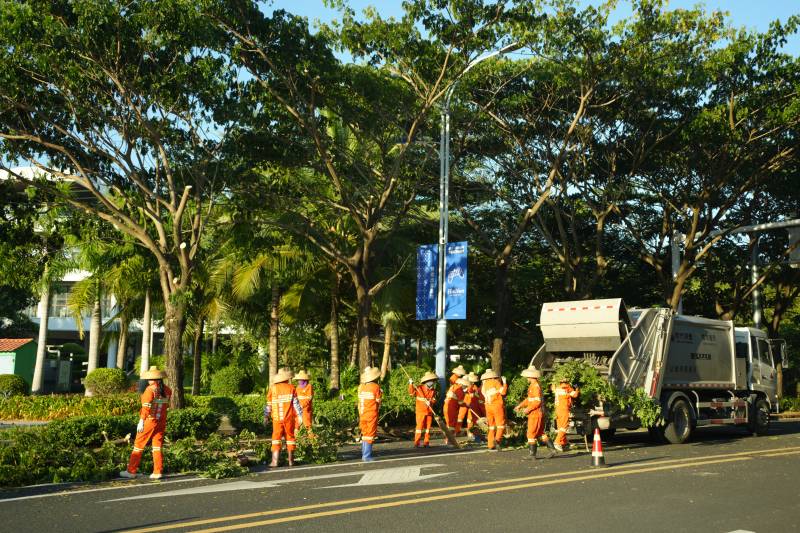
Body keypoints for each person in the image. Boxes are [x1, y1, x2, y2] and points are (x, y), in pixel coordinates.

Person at [120, 366, 172, 480]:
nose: (148, 380)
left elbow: (146, 408)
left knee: (138, 446)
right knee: (157, 447)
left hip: (149, 421)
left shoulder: (150, 390)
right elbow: (164, 407)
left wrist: (141, 421)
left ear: (154, 379)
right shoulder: (168, 390)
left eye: (150, 378)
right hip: (161, 422)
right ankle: (157, 472)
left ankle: (131, 471)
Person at [514, 367, 557, 459]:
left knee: (530, 433)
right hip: (537, 413)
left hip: (535, 414)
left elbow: (537, 402)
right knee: (540, 433)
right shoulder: (533, 385)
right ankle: (552, 450)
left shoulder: (535, 386)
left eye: (527, 377)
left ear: (531, 377)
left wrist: (527, 409)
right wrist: (520, 406)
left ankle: (532, 454)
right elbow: (529, 399)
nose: (526, 379)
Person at [265, 368, 302, 467]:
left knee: (276, 438)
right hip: (289, 418)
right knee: (290, 438)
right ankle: (291, 461)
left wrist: (266, 416)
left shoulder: (273, 388)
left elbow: (268, 405)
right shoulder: (291, 388)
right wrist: (300, 416)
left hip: (277, 419)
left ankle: (274, 462)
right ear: (286, 379)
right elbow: (296, 404)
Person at [358, 366, 382, 461]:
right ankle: (367, 456)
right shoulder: (376, 387)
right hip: (371, 414)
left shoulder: (361, 387)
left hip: (362, 414)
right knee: (370, 434)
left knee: (365, 434)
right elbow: (378, 401)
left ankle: (364, 454)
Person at [408, 371, 438, 447]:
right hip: (420, 411)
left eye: (433, 381)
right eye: (430, 381)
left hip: (429, 411)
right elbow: (411, 394)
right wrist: (410, 384)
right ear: (426, 381)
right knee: (419, 428)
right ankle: (417, 443)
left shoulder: (433, 390)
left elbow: (434, 399)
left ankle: (426, 442)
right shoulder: (419, 388)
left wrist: (431, 401)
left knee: (428, 428)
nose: (432, 382)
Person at [480, 369, 507, 451]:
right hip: (496, 406)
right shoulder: (495, 382)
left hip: (488, 407)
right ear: (494, 376)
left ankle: (490, 444)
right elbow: (503, 392)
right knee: (500, 425)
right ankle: (497, 440)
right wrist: (505, 382)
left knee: (491, 426)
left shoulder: (483, 385)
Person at [552, 376, 580, 452]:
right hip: (564, 410)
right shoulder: (567, 388)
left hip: (557, 410)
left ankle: (564, 443)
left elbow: (553, 389)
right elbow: (575, 395)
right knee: (564, 427)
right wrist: (577, 388)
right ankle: (557, 442)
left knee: (560, 427)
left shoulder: (557, 388)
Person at [464, 372, 485, 442]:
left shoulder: (474, 387)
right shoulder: (469, 387)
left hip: (474, 406)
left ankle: (475, 436)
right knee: (470, 421)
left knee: (474, 421)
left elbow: (477, 397)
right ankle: (471, 435)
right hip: (471, 405)